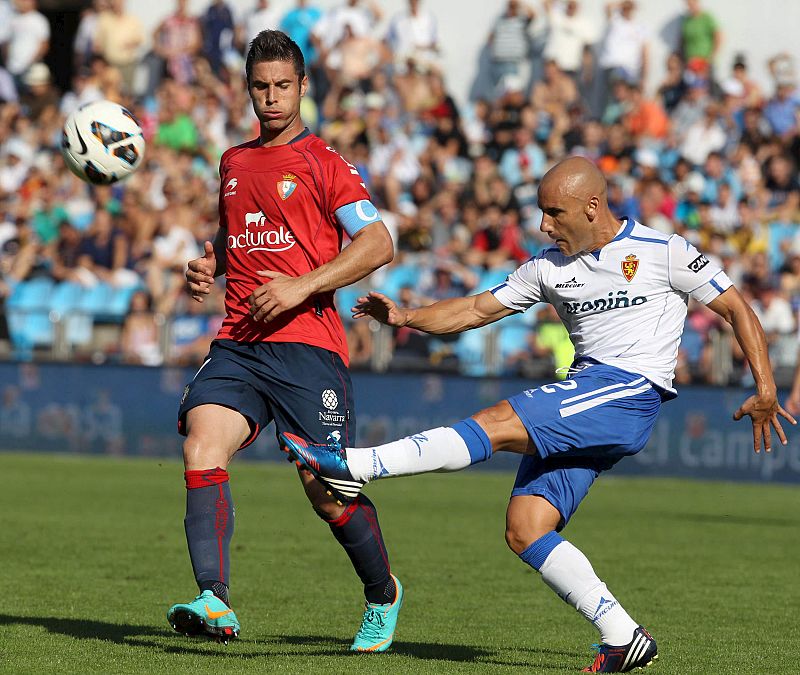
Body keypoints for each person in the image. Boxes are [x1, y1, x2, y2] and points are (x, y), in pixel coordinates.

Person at [279, 156, 795, 673]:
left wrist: (766, 388)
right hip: (586, 392)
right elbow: (476, 309)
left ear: (592, 206)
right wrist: (407, 316)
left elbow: (736, 308)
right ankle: (623, 635)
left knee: (498, 421)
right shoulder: (548, 266)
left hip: (628, 391)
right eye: (541, 212)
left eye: (554, 212)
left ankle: (358, 465)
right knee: (526, 528)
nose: (544, 225)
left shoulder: (664, 251)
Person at [166, 30, 403, 652]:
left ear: (302, 87)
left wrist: (302, 286)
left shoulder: (324, 162)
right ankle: (214, 599)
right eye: (260, 87)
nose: (271, 98)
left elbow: (378, 243)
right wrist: (210, 265)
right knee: (201, 444)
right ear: (248, 90)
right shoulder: (233, 162)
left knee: (326, 494)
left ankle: (382, 593)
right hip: (240, 342)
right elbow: (237, 238)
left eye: (282, 86)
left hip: (308, 347)